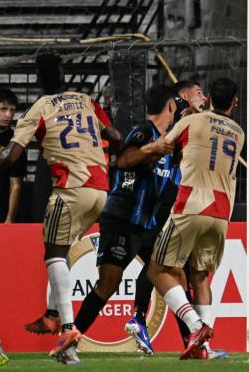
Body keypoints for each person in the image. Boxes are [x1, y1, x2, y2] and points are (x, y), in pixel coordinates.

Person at [0, 53, 122, 365]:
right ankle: (54, 317)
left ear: (41, 81)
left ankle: (67, 330)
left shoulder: (40, 108)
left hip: (70, 190)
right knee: (63, 250)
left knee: (53, 254)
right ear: (64, 77)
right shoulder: (87, 101)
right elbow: (116, 136)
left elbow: (12, 157)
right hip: (100, 190)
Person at [70, 85, 176, 358]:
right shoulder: (144, 131)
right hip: (123, 218)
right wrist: (152, 148)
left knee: (166, 270)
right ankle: (70, 341)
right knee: (108, 285)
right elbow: (122, 159)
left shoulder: (170, 139)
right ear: (171, 107)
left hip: (145, 223)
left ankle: (188, 337)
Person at [147, 78, 244, 360]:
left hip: (191, 204)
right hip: (221, 212)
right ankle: (206, 349)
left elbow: (163, 145)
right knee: (200, 278)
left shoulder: (192, 121)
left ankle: (195, 326)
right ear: (235, 101)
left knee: (157, 270)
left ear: (210, 96)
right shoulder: (239, 132)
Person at [0, 89, 26, 223]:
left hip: (1, 212)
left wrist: (10, 219)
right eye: (3, 109)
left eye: (12, 110)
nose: (8, 115)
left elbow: (16, 184)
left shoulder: (15, 143)